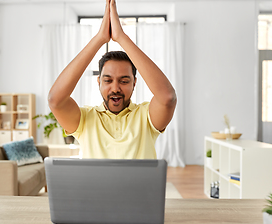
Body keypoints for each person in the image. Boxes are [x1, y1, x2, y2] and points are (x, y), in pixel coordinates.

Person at [48, 0, 176, 159]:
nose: (115, 88)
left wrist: (121, 37)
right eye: (108, 80)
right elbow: (55, 100)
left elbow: (167, 97)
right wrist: (100, 38)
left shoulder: (146, 116)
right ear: (98, 82)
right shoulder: (86, 119)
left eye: (124, 81)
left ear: (134, 83)